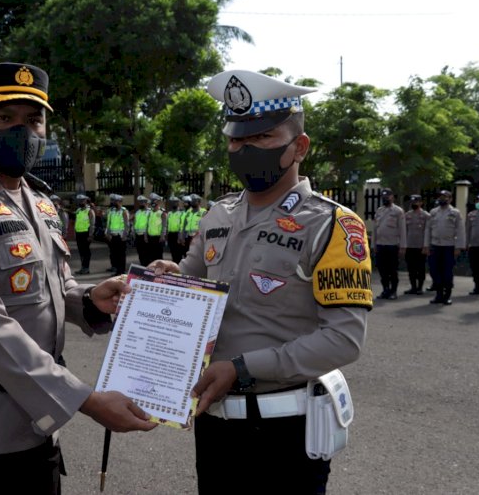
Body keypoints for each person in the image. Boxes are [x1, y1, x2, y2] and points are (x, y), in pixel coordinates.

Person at [0, 62, 156, 494]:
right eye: (4, 118)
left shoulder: (37, 202)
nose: (22, 132)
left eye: (33, 119)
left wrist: (93, 299)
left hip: (32, 429)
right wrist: (87, 401)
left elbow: (51, 291)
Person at [149, 70, 372, 494]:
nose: (245, 150)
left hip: (284, 432)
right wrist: (165, 281)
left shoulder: (332, 225)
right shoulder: (218, 215)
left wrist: (243, 370)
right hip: (214, 426)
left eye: (262, 139)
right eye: (237, 141)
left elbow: (344, 340)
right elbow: (193, 281)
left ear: (299, 147)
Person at [424, 189, 465, 305]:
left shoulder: (455, 212)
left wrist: (458, 247)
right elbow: (428, 229)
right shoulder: (433, 212)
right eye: (441, 197)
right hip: (435, 246)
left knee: (447, 272)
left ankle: (447, 296)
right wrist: (426, 245)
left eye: (445, 197)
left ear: (450, 199)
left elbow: (460, 230)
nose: (442, 199)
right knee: (434, 271)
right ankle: (438, 294)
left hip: (449, 246)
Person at [372, 188, 406, 299]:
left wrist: (402, 246)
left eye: (388, 196)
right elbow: (375, 229)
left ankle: (393, 291)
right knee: (382, 269)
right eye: (383, 196)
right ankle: (385, 290)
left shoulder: (398, 211)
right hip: (381, 244)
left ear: (392, 197)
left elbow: (402, 230)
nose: (385, 198)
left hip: (393, 245)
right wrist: (374, 244)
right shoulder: (379, 211)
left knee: (392, 270)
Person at [403, 194, 430, 294]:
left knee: (420, 268)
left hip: (420, 246)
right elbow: (404, 231)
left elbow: (427, 231)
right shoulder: (407, 215)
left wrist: (426, 245)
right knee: (411, 268)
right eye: (413, 202)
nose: (414, 204)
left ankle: (420, 287)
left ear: (421, 203)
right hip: (410, 245)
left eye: (416, 202)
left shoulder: (426, 216)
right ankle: (413, 287)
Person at [104, 193, 129, 275]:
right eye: (113, 201)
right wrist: (107, 233)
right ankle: (118, 271)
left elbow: (126, 225)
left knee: (121, 255)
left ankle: (122, 272)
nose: (113, 203)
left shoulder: (124, 211)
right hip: (113, 236)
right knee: (115, 255)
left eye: (115, 201)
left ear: (119, 201)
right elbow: (109, 223)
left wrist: (125, 236)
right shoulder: (111, 211)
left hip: (120, 236)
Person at [73, 193, 94, 274]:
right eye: (79, 201)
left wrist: (91, 235)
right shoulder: (78, 211)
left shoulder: (90, 211)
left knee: (86, 252)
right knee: (81, 252)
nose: (80, 202)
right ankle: (83, 267)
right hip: (79, 234)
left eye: (82, 200)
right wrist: (75, 233)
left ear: (86, 201)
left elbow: (92, 224)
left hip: (86, 234)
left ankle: (86, 268)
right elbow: (76, 222)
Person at [145, 192, 167, 263]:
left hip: (158, 238)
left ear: (158, 202)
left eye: (154, 200)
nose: (152, 202)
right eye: (151, 200)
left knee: (158, 257)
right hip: (150, 237)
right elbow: (147, 225)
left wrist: (162, 236)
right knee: (151, 256)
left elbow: (164, 226)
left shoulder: (162, 213)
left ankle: (160, 272)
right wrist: (145, 236)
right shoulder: (149, 212)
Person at [166, 195, 186, 263]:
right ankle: (174, 266)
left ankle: (179, 268)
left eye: (175, 202)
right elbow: (167, 224)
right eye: (172, 202)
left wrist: (180, 236)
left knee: (178, 253)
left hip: (177, 235)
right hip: (170, 235)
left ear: (178, 203)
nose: (173, 204)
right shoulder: (169, 213)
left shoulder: (181, 213)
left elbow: (181, 225)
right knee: (173, 252)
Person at [132, 194, 150, 265]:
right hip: (138, 235)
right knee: (140, 253)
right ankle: (142, 266)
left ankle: (147, 268)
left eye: (142, 202)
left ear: (146, 203)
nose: (141, 204)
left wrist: (146, 235)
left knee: (147, 253)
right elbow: (135, 223)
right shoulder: (138, 212)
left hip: (146, 236)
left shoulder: (149, 212)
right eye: (140, 202)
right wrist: (133, 233)